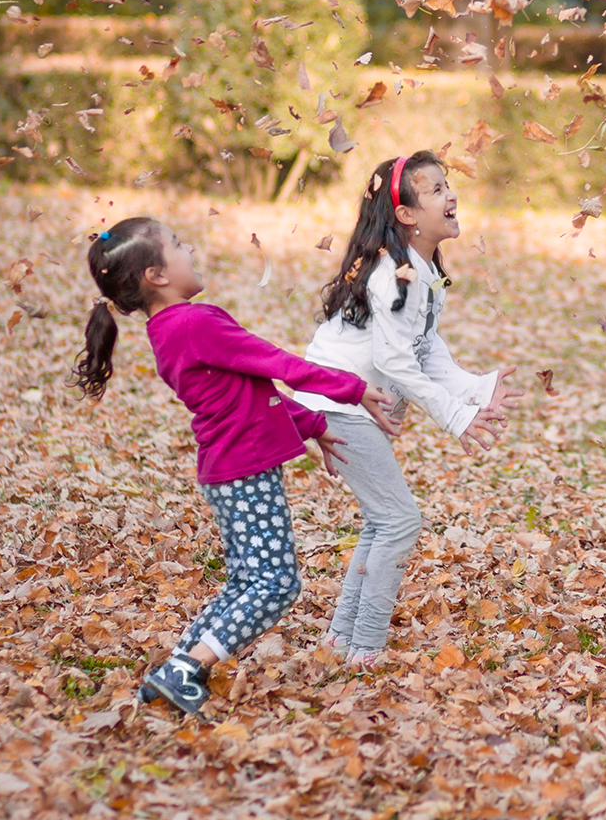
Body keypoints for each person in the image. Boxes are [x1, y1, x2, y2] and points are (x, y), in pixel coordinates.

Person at [70, 217, 400, 716]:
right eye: (179, 244)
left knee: (247, 582)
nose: (191, 248)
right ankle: (187, 669)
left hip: (225, 470)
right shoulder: (194, 322)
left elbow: (248, 395)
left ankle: (178, 666)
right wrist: (352, 388)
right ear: (156, 275)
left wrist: (312, 425)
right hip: (243, 471)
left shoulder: (169, 330)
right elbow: (276, 364)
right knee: (276, 585)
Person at [297, 152, 525, 667]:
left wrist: (475, 389)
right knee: (399, 521)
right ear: (406, 214)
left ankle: (342, 639)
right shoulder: (392, 275)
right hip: (337, 405)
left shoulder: (417, 270)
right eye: (437, 190)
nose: (452, 195)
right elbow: (394, 360)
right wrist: (455, 417)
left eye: (449, 185)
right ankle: (365, 647)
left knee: (383, 522)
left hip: (343, 405)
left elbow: (425, 347)